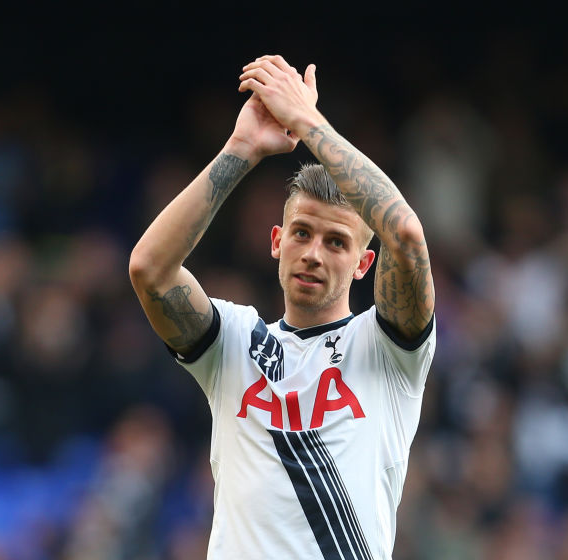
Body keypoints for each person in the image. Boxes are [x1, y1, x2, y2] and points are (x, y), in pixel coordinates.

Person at [128, 54, 436, 559]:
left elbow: (404, 231)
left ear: (364, 263)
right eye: (301, 233)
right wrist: (242, 147)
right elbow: (148, 269)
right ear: (277, 241)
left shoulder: (387, 350)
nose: (313, 253)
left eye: (337, 243)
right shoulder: (233, 341)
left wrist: (307, 122)